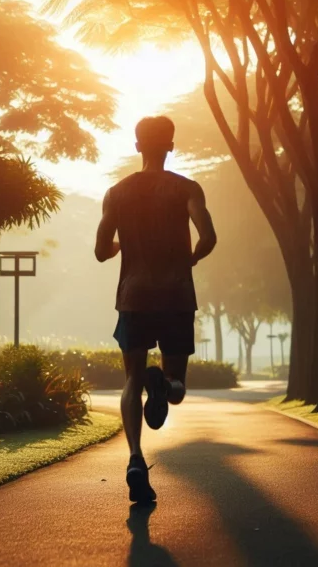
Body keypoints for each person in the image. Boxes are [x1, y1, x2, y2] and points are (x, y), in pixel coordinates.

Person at [95, 116, 217, 503]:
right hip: (176, 294)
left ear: (137, 147)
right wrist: (190, 260)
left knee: (131, 380)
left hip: (134, 296)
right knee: (178, 388)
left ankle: (134, 458)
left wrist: (121, 247)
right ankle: (163, 384)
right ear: (171, 146)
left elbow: (101, 251)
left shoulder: (116, 193)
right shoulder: (186, 189)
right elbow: (209, 237)